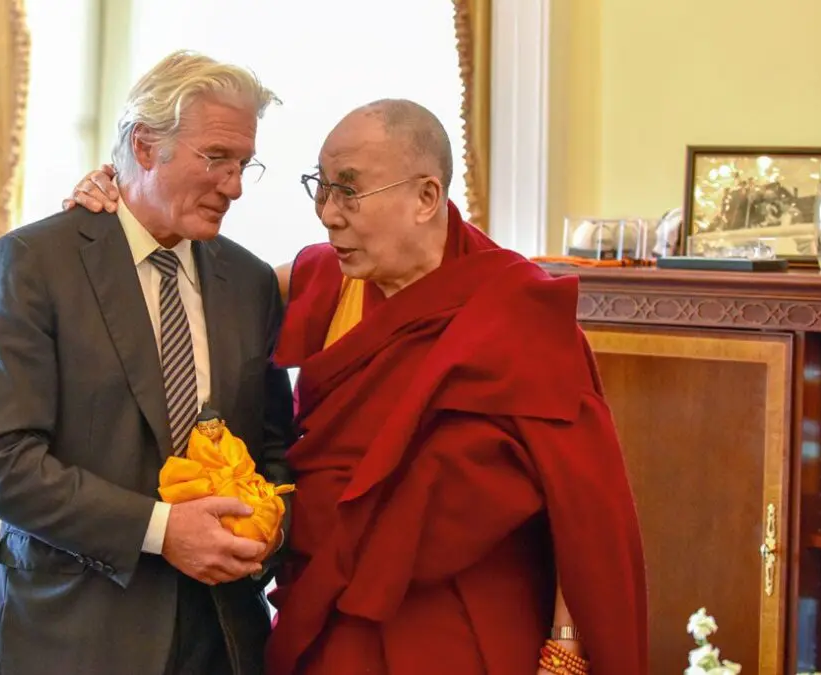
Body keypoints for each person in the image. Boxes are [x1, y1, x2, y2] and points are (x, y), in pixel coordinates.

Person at [66, 99, 648, 674]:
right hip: (334, 611)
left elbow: (582, 502)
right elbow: (195, 292)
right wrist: (124, 210)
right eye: (320, 188)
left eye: (348, 191)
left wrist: (565, 647)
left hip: (465, 622)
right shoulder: (325, 279)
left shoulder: (516, 310)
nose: (327, 214)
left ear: (426, 197)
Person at [0, 50, 295, 675]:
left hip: (224, 640)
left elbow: (275, 447)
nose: (233, 186)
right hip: (75, 636)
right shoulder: (34, 263)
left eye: (244, 164)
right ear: (145, 146)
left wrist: (268, 530)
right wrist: (161, 530)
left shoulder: (250, 282)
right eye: (216, 158)